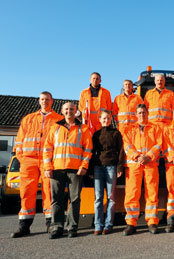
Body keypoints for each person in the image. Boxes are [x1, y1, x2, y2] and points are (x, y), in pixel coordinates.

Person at [11, 91, 63, 238]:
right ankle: (24, 226)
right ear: (39, 101)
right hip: (28, 160)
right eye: (42, 99)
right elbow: (19, 140)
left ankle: (50, 224)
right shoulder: (28, 119)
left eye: (47, 99)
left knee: (49, 191)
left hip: (48, 161)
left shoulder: (58, 119)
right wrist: (22, 158)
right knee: (27, 191)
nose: (44, 101)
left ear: (52, 101)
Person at [43, 102, 93, 239]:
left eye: (71, 109)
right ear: (62, 111)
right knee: (56, 199)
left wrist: (84, 166)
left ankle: (72, 227)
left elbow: (87, 150)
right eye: (66, 109)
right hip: (57, 168)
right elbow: (47, 149)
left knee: (75, 199)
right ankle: (57, 227)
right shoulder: (55, 127)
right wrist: (48, 167)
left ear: (76, 111)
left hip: (75, 169)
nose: (69, 111)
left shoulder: (83, 128)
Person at [122, 104, 162, 235]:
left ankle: (152, 222)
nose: (141, 115)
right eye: (139, 113)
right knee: (132, 193)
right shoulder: (129, 129)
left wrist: (148, 156)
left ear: (147, 113)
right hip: (134, 165)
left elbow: (159, 144)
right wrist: (138, 156)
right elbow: (127, 145)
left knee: (152, 193)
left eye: (144, 112)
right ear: (135, 114)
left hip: (150, 164)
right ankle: (131, 223)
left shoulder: (155, 128)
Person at [90, 110, 125, 235]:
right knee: (98, 197)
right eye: (104, 118)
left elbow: (121, 151)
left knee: (111, 197)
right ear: (99, 119)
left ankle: (108, 225)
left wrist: (119, 167)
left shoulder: (116, 133)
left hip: (111, 167)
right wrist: (90, 169)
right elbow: (91, 152)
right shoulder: (96, 135)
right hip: (98, 167)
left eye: (108, 118)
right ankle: (98, 226)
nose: (106, 120)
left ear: (111, 119)